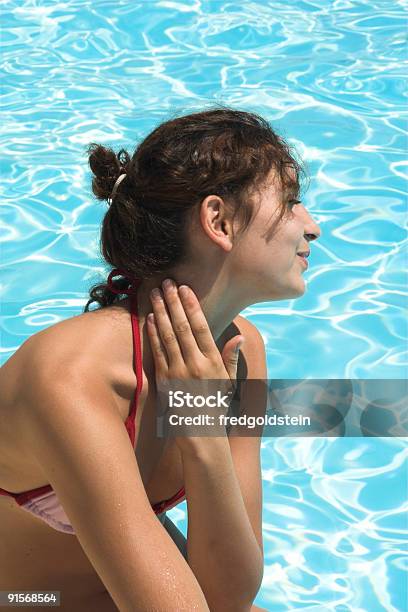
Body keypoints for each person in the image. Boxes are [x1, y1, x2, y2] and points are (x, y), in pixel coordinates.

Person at [0, 107, 320, 611]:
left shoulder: (243, 354)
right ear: (218, 221)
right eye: (292, 202)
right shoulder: (70, 378)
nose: (312, 227)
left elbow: (230, 594)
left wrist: (204, 435)